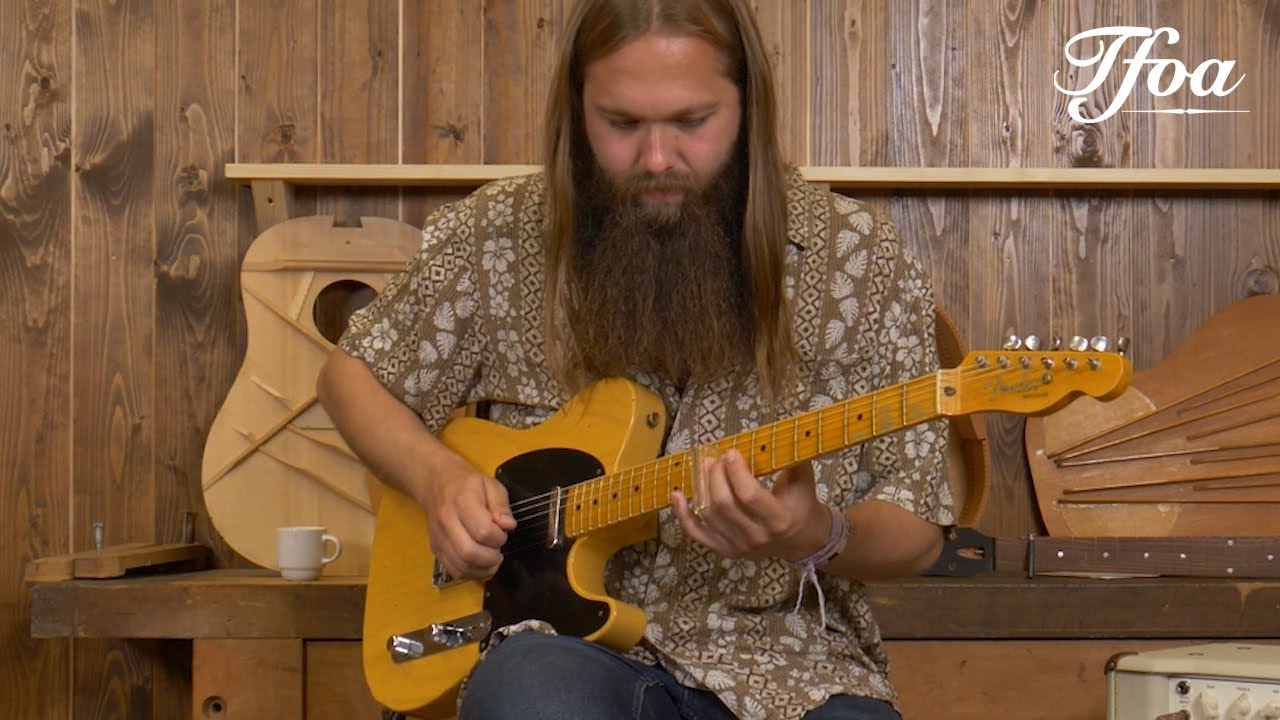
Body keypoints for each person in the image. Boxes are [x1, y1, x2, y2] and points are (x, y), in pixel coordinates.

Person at [316, 1, 954, 718]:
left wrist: (816, 534)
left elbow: (918, 531)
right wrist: (438, 482)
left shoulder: (861, 259)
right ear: (577, 109)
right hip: (550, 646)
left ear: (748, 107)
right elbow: (351, 375)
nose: (656, 160)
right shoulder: (494, 233)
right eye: (620, 125)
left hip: (791, 665)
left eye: (691, 122)